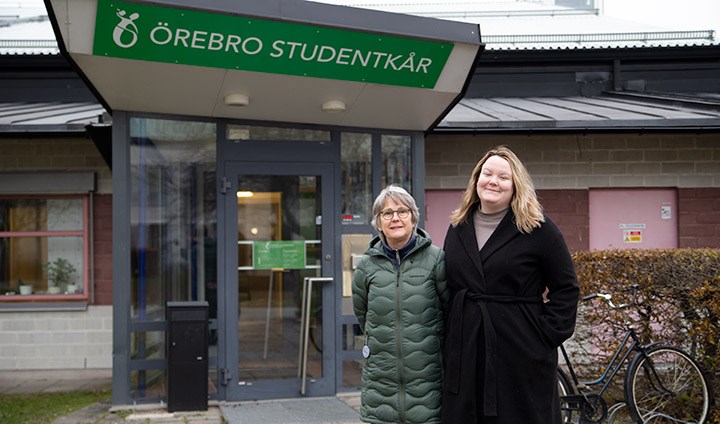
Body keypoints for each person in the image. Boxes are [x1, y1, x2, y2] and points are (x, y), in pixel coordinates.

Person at [441, 146, 580, 424]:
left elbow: (566, 288)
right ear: (476, 179)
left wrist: (543, 336)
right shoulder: (459, 226)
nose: (493, 181)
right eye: (487, 173)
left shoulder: (539, 229)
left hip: (521, 349)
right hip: (467, 348)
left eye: (503, 177)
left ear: (516, 185)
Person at [352, 185, 450, 424]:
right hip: (380, 386)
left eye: (402, 211)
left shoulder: (436, 259)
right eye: (387, 213)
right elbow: (363, 316)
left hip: (427, 383)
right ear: (378, 221)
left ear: (413, 217)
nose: (395, 218)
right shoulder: (366, 266)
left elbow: (449, 313)